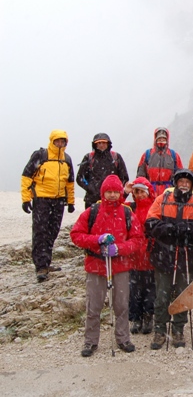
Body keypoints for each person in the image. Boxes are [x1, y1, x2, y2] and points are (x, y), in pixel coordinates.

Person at [70, 175, 145, 357]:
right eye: (109, 192)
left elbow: (138, 240)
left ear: (120, 192)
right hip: (95, 265)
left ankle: (123, 339)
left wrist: (119, 248)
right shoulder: (92, 212)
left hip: (120, 266)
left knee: (121, 305)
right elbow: (76, 235)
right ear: (103, 193)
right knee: (93, 306)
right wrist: (98, 240)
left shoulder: (127, 213)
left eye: (115, 192)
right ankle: (90, 342)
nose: (112, 195)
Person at [145, 169, 193, 349]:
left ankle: (178, 329)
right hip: (164, 255)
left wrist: (189, 230)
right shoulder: (162, 199)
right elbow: (150, 222)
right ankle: (160, 330)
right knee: (162, 296)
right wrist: (169, 229)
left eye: (188, 182)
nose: (184, 184)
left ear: (192, 185)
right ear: (175, 183)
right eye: (181, 181)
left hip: (187, 257)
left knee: (183, 296)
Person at [21, 130, 75, 282]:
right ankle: (40, 266)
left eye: (63, 141)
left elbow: (69, 183)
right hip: (42, 200)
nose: (60, 143)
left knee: (53, 231)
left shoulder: (67, 159)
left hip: (58, 201)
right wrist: (26, 199)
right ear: (52, 141)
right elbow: (26, 177)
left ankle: (46, 261)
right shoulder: (40, 156)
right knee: (40, 232)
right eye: (57, 141)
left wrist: (70, 202)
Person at [125, 177, 156, 335]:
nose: (139, 194)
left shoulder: (155, 207)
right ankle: (136, 318)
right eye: (136, 191)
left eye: (142, 191)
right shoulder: (130, 207)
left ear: (149, 191)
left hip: (150, 255)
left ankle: (148, 316)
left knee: (150, 290)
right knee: (134, 290)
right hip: (134, 256)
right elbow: (110, 206)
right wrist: (125, 192)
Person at [76, 133, 129, 209]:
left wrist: (114, 190)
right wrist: (90, 188)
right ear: (95, 145)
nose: (101, 145)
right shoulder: (89, 157)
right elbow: (80, 178)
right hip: (92, 200)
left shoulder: (116, 157)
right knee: (91, 220)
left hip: (112, 199)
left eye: (104, 143)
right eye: (99, 143)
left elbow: (124, 177)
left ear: (108, 144)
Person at [136, 127, 183, 194]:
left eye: (163, 139)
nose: (161, 141)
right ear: (155, 139)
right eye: (159, 139)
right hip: (150, 191)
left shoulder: (174, 155)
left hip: (169, 192)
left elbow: (180, 175)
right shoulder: (147, 154)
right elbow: (140, 176)